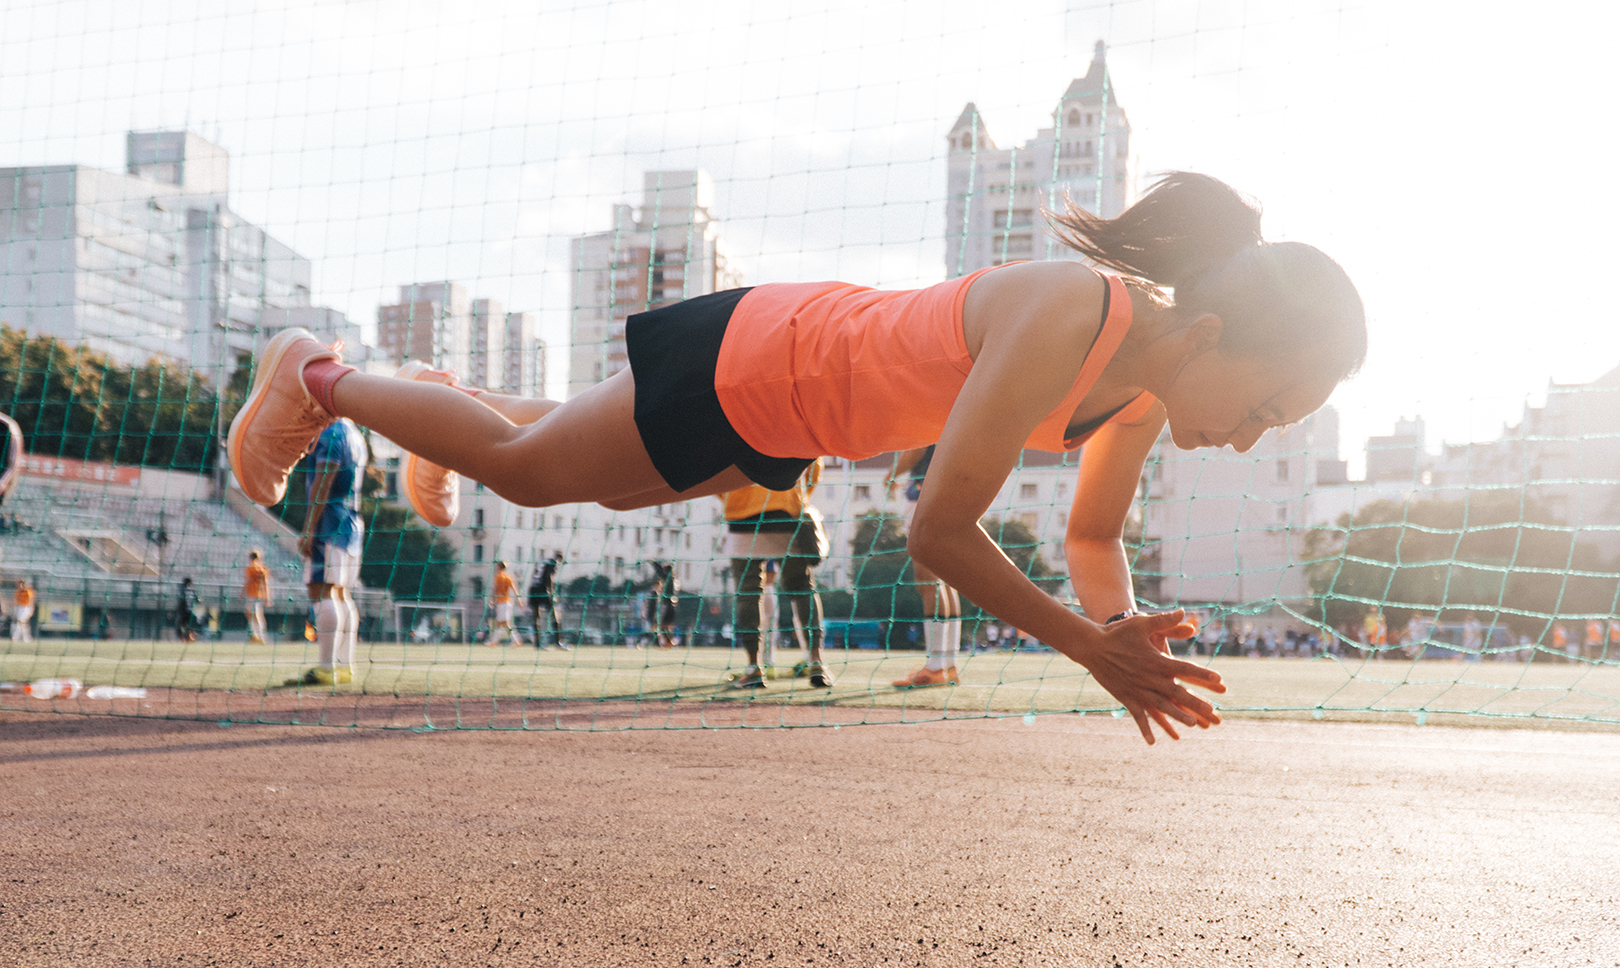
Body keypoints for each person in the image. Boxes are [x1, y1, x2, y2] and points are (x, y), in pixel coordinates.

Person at [228, 173, 1365, 744]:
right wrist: (1086, 649)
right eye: (1268, 404)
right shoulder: (1076, 311)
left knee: (606, 473)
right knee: (528, 471)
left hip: (796, 417)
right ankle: (313, 377)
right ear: (1212, 335)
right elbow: (937, 529)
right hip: (770, 358)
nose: (1255, 434)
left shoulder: (1143, 394)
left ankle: (437, 403)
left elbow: (1093, 536)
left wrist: (1124, 633)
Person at [720, 463, 832, 688]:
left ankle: (754, 667)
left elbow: (713, 469)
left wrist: (731, 499)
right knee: (801, 587)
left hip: (741, 514)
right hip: (786, 511)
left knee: (747, 592)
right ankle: (816, 661)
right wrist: (798, 497)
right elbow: (814, 463)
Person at [286, 418, 367, 686]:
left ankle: (326, 668)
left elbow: (324, 481)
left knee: (321, 590)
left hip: (330, 522)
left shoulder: (330, 433)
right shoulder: (355, 434)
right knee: (342, 593)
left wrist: (309, 527)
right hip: (352, 522)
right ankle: (345, 666)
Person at [887, 446, 962, 687]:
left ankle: (935, 667)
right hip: (953, 492)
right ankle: (948, 664)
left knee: (927, 578)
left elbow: (916, 448)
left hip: (926, 492)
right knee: (947, 579)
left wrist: (889, 475)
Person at [528, 554, 565, 649]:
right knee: (554, 614)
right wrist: (551, 593)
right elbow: (548, 576)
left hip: (533, 589)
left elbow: (534, 573)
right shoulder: (553, 562)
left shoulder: (542, 560)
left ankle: (537, 644)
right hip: (543, 589)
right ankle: (558, 642)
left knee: (536, 617)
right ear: (559, 559)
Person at [486, 560, 517, 646]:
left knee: (504, 623)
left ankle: (515, 640)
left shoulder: (498, 577)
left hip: (502, 603)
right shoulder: (508, 577)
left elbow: (495, 589)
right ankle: (494, 641)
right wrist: (519, 600)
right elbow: (514, 589)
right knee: (500, 623)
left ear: (499, 567)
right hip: (508, 602)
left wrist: (491, 599)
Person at [242, 550, 270, 644]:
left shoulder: (250, 568)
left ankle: (260, 636)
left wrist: (241, 594)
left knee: (255, 615)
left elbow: (246, 581)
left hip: (252, 594)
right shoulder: (262, 567)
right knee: (254, 614)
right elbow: (266, 584)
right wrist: (267, 597)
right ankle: (256, 635)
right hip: (259, 595)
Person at [10, 578, 35, 642]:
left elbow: (31, 600)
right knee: (22, 622)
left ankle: (16, 637)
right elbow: (15, 601)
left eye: (21, 583)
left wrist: (31, 609)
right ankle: (26, 637)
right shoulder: (17, 592)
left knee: (20, 621)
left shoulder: (28, 591)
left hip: (26, 607)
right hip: (20, 607)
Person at [176, 577, 200, 643]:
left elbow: (181, 598)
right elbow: (197, 600)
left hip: (183, 611)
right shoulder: (192, 591)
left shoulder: (182, 589)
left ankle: (182, 638)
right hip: (190, 611)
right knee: (191, 626)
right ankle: (191, 638)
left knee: (179, 625)